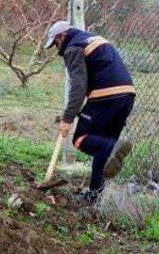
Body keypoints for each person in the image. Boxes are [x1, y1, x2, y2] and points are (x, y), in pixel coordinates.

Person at [44, 21, 135, 203]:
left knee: (81, 138)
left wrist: (67, 118)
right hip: (127, 95)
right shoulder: (93, 39)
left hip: (105, 96)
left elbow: (78, 86)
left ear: (62, 36)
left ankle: (112, 148)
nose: (57, 48)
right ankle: (94, 198)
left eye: (56, 43)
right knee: (101, 150)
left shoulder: (73, 47)